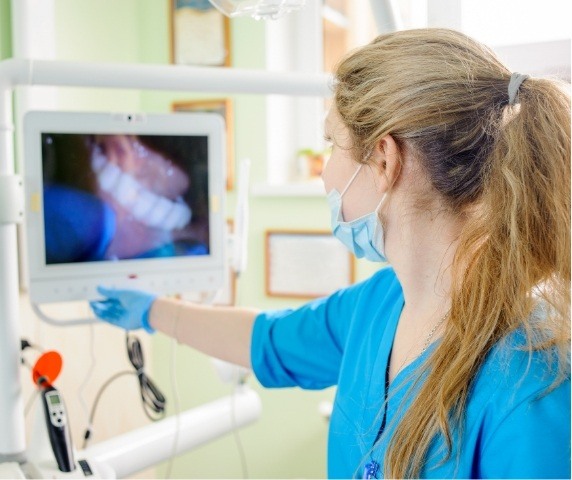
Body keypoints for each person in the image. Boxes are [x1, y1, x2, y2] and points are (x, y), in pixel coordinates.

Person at [90, 28, 571, 478]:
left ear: (384, 160)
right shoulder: (382, 304)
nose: (324, 174)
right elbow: (268, 342)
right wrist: (152, 310)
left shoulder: (536, 383)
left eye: (331, 144)